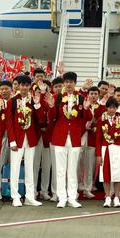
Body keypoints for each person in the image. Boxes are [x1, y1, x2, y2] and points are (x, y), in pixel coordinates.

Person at [47, 71, 86, 208]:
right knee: (60, 169)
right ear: (64, 83)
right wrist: (51, 106)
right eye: (67, 82)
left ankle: (72, 197)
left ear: (75, 83)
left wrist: (86, 109)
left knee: (72, 169)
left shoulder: (81, 98)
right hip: (60, 137)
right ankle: (61, 197)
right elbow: (51, 118)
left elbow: (85, 118)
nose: (69, 84)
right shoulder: (57, 97)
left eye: (71, 82)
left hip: (75, 137)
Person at [5, 75, 44, 207]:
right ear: (18, 86)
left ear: (29, 87)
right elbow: (9, 123)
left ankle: (29, 196)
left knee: (30, 168)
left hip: (31, 139)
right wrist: (12, 141)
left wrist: (38, 104)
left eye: (27, 85)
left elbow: (40, 120)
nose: (24, 88)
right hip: (17, 139)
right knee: (15, 168)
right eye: (22, 85)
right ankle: (15, 196)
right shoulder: (12, 101)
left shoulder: (33, 100)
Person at [96, 98, 120, 208]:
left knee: (118, 174)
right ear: (106, 108)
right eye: (110, 107)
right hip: (105, 148)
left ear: (117, 108)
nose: (112, 110)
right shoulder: (101, 119)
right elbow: (98, 138)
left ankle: (116, 197)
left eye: (114, 107)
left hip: (118, 148)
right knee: (106, 174)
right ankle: (107, 197)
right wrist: (98, 154)